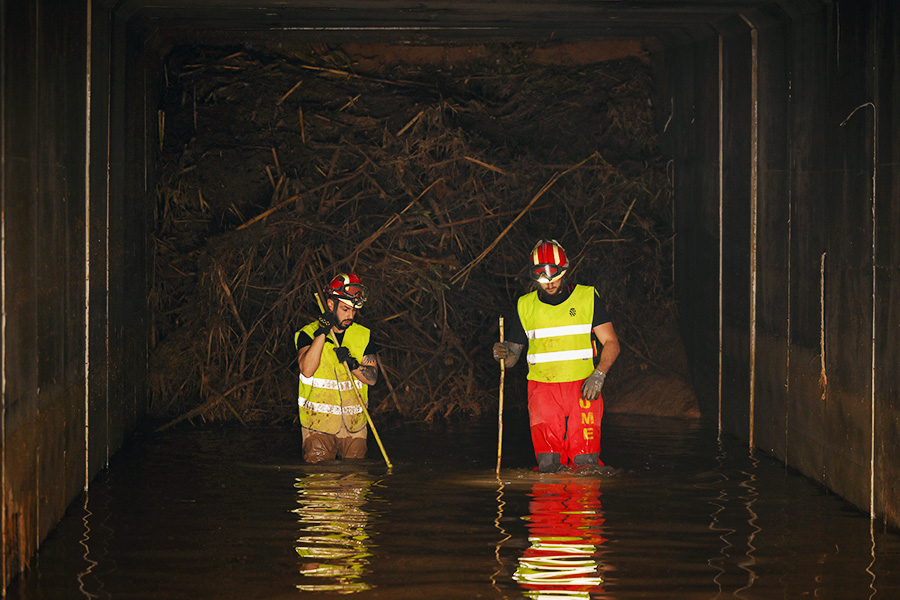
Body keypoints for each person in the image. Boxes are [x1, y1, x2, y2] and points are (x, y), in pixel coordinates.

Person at [493, 239, 620, 473]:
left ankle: (582, 506)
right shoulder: (526, 305)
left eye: (555, 276)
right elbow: (512, 357)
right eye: (542, 278)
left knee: (586, 463)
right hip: (543, 392)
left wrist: (599, 375)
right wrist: (503, 352)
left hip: (583, 389)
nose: (549, 283)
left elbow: (611, 343)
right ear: (533, 276)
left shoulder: (587, 298)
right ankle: (549, 507)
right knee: (548, 464)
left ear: (565, 269)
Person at [294, 273, 379, 463]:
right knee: (319, 485)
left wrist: (353, 364)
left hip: (355, 426)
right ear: (331, 305)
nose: (350, 315)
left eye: (353, 310)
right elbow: (306, 369)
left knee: (355, 483)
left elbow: (372, 378)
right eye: (345, 309)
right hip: (317, 426)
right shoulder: (307, 334)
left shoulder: (363, 335)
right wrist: (321, 334)